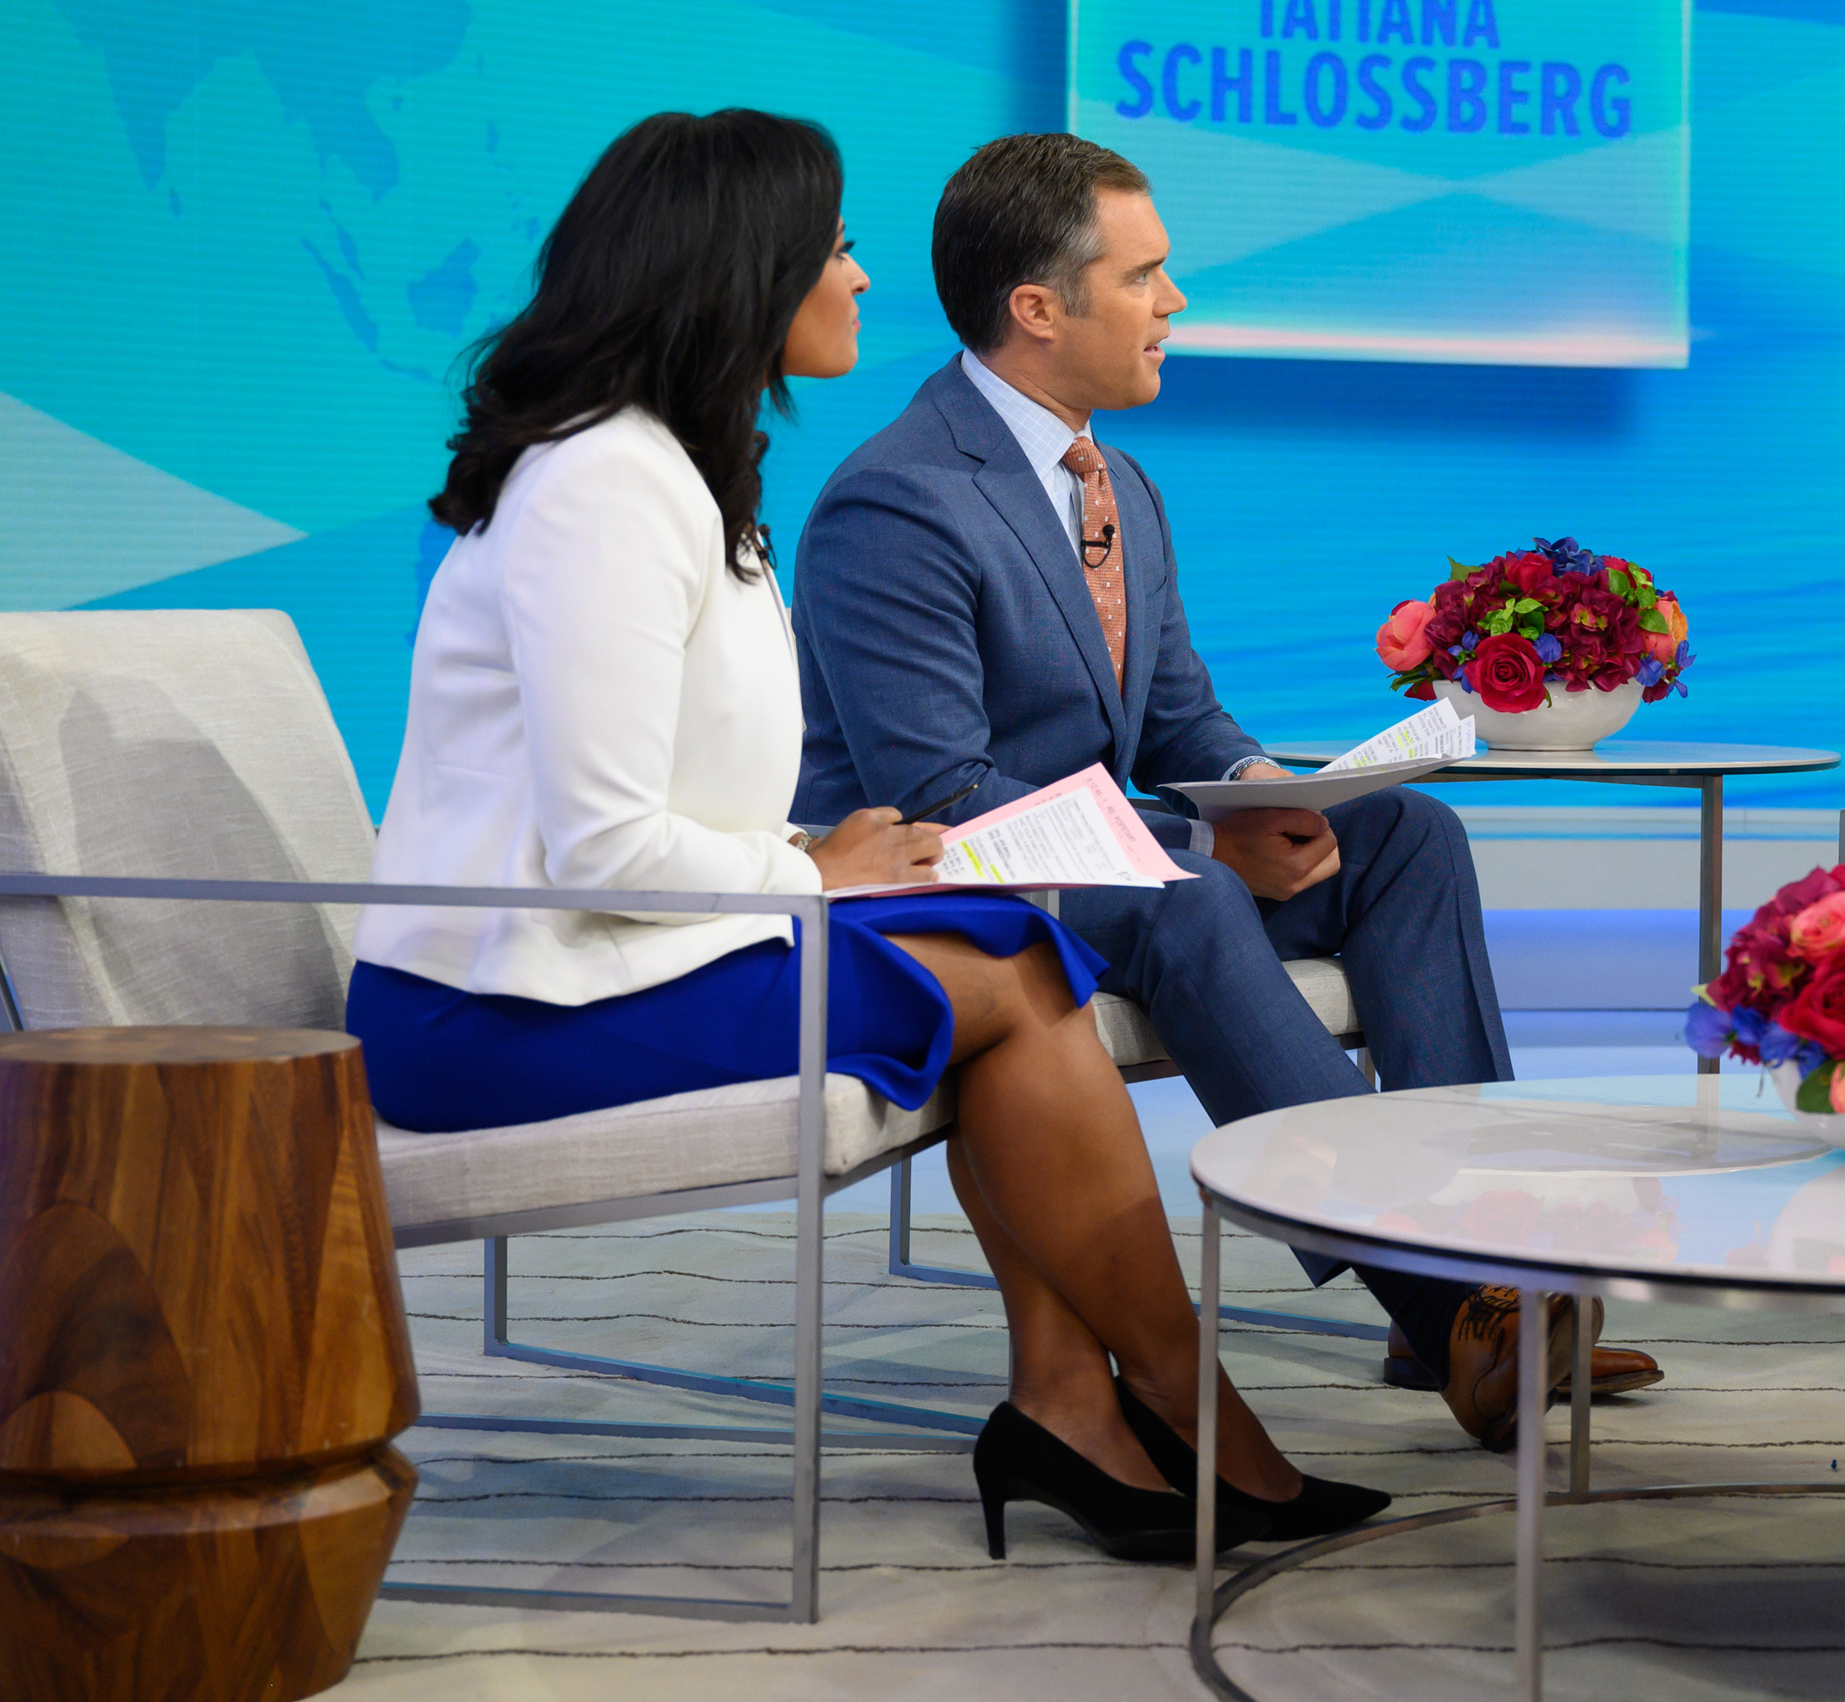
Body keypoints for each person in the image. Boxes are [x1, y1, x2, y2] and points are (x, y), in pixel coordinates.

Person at [348, 109, 1385, 1560]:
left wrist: (813, 863)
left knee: (1012, 959)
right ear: (741, 269)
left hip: (622, 956)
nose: (860, 280)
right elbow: (603, 849)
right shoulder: (603, 486)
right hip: (506, 1001)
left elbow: (660, 809)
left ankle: (1078, 1404)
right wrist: (812, 867)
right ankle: (1176, 1409)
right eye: (834, 248)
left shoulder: (677, 472)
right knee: (1016, 977)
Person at [789, 132, 1663, 1447]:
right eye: (1147, 276)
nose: (1175, 303)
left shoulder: (1118, 480)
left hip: (1121, 863)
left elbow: (1182, 715)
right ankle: (1451, 1310)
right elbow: (942, 790)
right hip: (960, 883)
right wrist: (1204, 838)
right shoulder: (896, 501)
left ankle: (1488, 1264)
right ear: (1039, 308)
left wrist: (1266, 796)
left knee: (1409, 840)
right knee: (1190, 888)